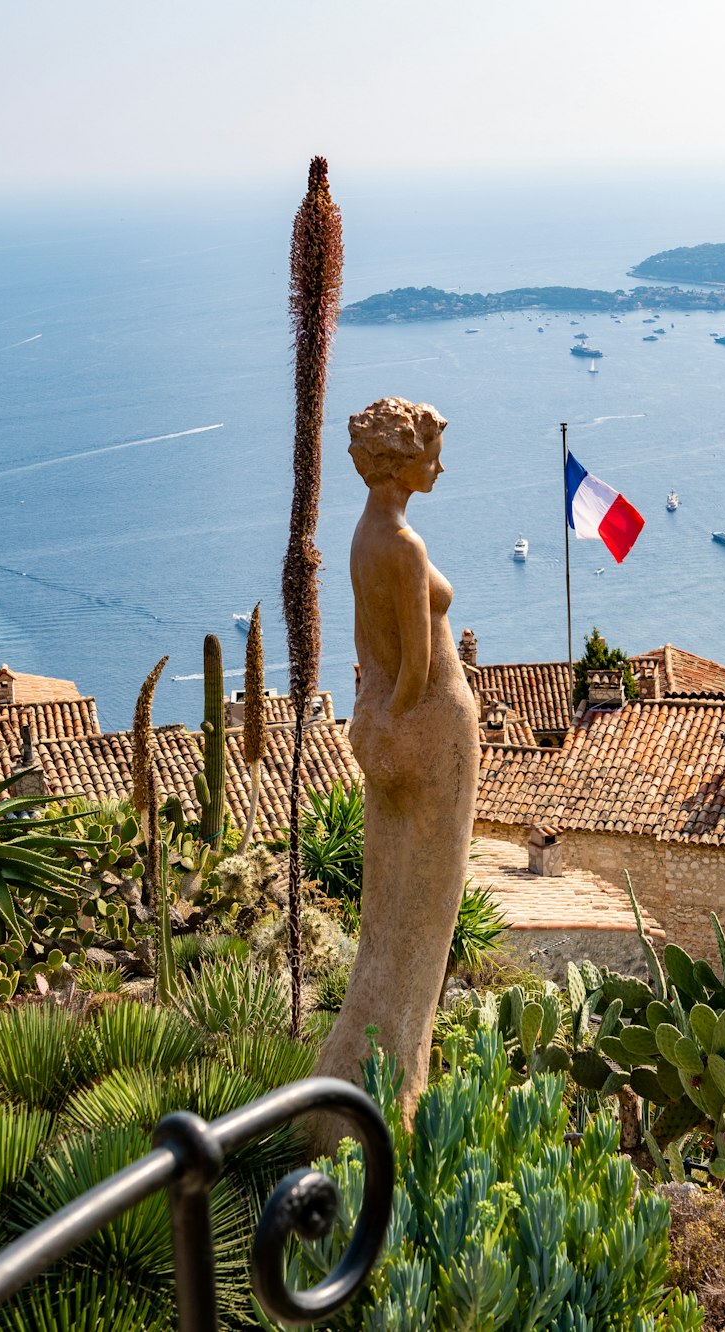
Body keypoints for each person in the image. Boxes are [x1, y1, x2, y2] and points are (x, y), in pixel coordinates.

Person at [312, 397, 479, 1134]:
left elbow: (368, 646)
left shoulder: (361, 536)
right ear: (401, 461)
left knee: (390, 913)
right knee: (426, 918)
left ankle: (346, 1088)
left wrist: (372, 716)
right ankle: (390, 1108)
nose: (440, 466)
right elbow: (415, 661)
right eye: (433, 452)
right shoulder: (404, 546)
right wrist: (401, 711)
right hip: (433, 728)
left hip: (383, 723)